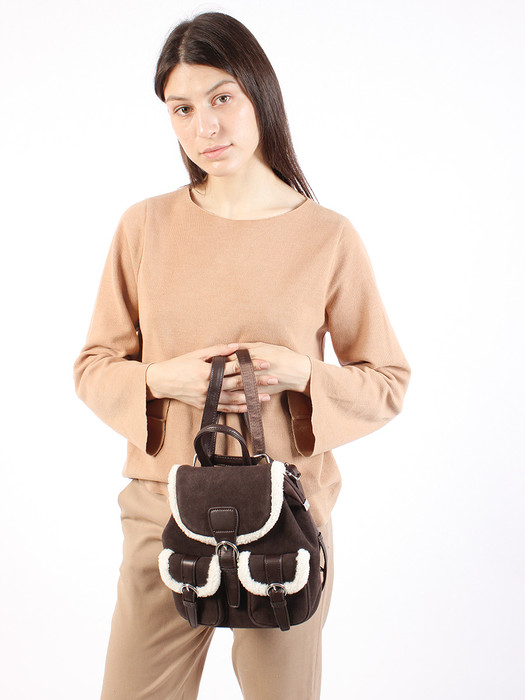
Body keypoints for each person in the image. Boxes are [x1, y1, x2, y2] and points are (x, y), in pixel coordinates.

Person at [73, 10, 411, 700]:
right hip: (162, 507)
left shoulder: (327, 237)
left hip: (287, 515)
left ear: (260, 92)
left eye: (222, 97)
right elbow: (94, 366)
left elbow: (386, 381)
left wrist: (303, 374)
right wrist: (162, 380)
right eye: (182, 109)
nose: (206, 126)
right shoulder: (144, 227)